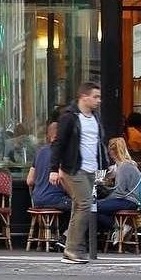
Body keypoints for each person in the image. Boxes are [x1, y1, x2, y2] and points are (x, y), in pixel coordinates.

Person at [49, 81, 109, 265]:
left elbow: (99, 143)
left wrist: (105, 166)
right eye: (95, 97)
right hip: (73, 168)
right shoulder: (70, 117)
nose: (99, 100)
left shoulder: (96, 118)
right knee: (84, 204)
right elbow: (58, 144)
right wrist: (53, 169)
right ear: (84, 97)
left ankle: (74, 248)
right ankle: (72, 250)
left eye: (99, 97)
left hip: (91, 169)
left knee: (79, 206)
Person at [95, 137, 141, 244]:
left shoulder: (124, 167)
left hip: (129, 201)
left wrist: (105, 196)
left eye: (111, 154)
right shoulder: (126, 165)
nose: (111, 157)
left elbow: (120, 192)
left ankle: (120, 227)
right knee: (95, 207)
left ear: (114, 152)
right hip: (129, 200)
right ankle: (118, 228)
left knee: (93, 207)